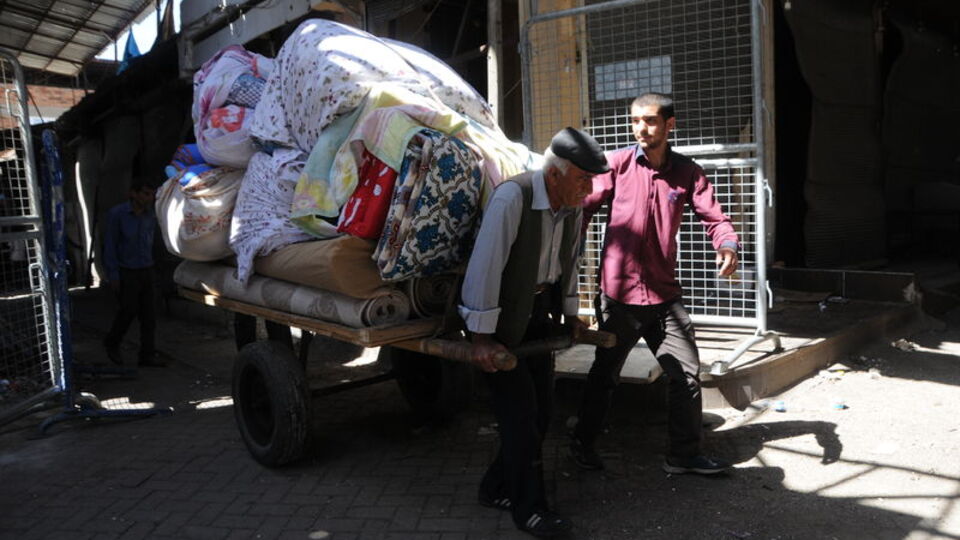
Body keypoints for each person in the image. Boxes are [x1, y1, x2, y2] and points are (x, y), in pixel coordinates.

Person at [569, 93, 740, 475]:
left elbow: (715, 218)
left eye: (649, 121)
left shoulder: (687, 173)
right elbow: (582, 208)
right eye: (635, 121)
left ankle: (683, 455)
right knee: (605, 374)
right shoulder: (617, 164)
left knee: (686, 374)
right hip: (620, 295)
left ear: (669, 124)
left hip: (664, 296)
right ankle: (582, 442)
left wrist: (727, 245)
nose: (641, 128)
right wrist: (567, 255)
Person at [460, 127, 608, 538]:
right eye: (583, 178)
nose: (589, 188)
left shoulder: (572, 206)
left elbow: (570, 262)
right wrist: (481, 337)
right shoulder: (515, 197)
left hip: (540, 313)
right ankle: (530, 509)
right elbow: (485, 267)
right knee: (521, 416)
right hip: (504, 317)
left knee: (541, 412)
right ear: (556, 173)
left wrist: (571, 314)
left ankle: (495, 487)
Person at [102, 180, 162, 367]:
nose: (148, 199)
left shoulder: (150, 215)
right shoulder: (118, 215)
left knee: (149, 315)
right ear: (133, 194)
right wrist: (113, 274)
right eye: (145, 194)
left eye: (151, 195)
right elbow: (110, 245)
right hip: (126, 270)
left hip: (146, 268)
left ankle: (147, 356)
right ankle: (112, 342)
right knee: (128, 310)